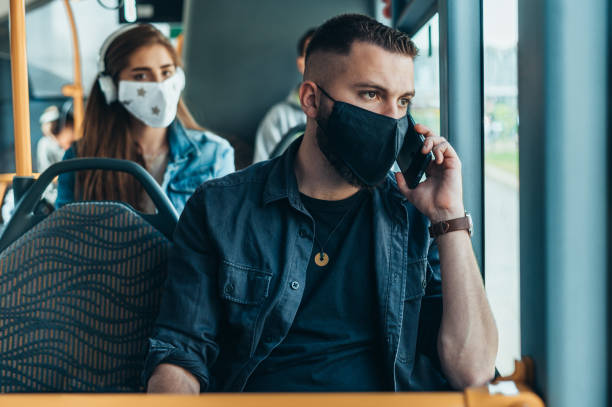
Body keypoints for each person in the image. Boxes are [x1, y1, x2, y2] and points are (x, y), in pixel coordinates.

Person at [144, 14, 498, 393]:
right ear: (312, 99)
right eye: (371, 94)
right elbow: (181, 353)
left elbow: (472, 371)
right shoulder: (219, 209)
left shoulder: (417, 217)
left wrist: (449, 217)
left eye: (403, 102)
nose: (392, 119)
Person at [56, 24, 234, 215]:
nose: (159, 85)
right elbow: (66, 235)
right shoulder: (81, 158)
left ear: (178, 78)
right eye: (141, 75)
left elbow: (223, 236)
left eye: (166, 72)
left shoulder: (214, 154)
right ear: (111, 87)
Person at [252, 28, 316, 163]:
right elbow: (263, 174)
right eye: (312, 56)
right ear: (301, 64)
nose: (321, 64)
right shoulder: (278, 118)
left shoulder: (349, 114)